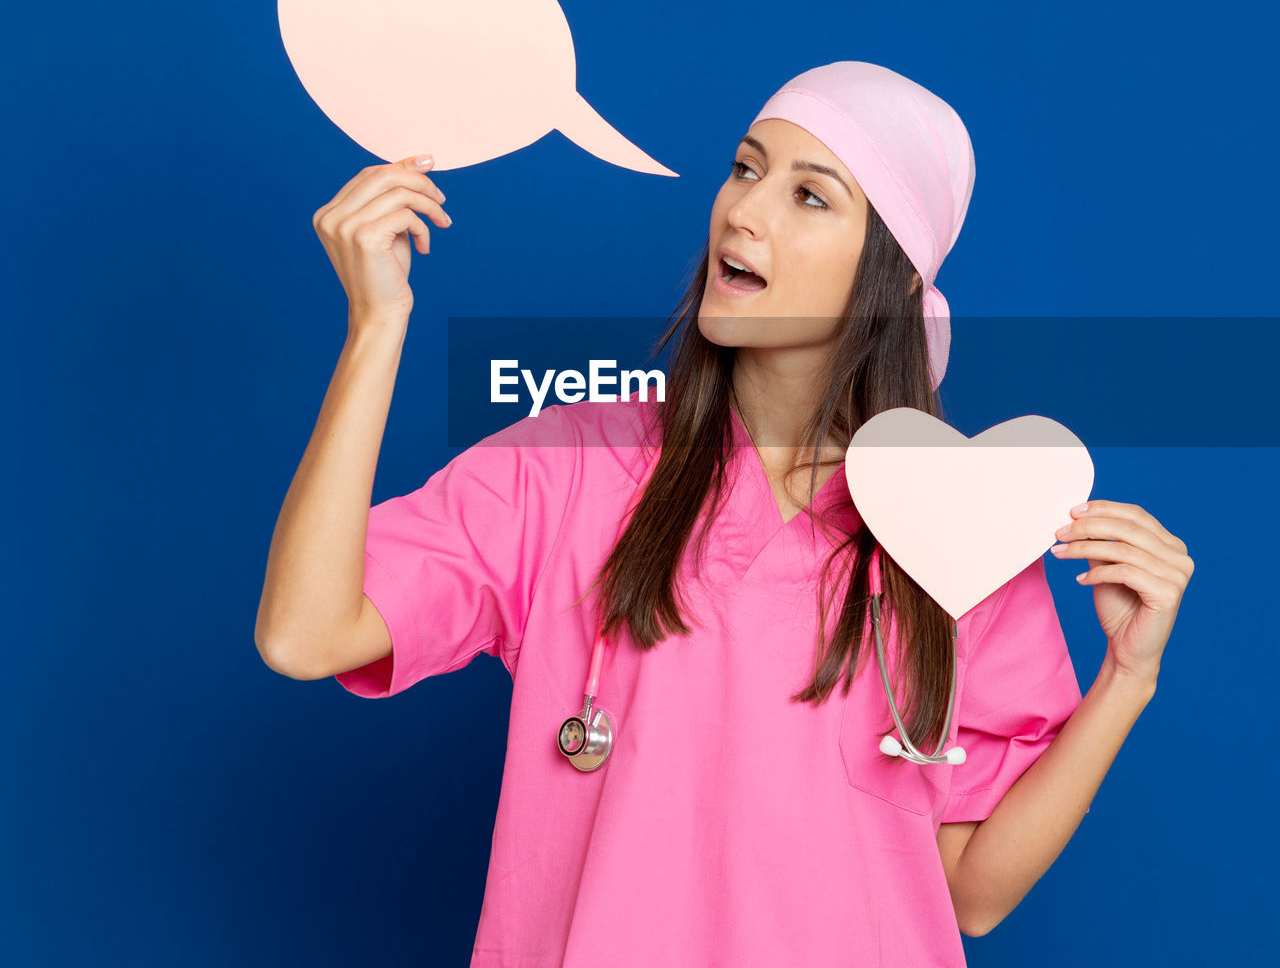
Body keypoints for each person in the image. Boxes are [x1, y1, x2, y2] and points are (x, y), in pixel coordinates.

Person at [256, 61, 1194, 966]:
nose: (743, 210)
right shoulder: (572, 468)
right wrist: (376, 329)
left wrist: (1127, 679)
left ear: (894, 277)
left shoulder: (959, 527)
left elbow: (969, 894)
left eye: (809, 194)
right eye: (746, 168)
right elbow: (306, 633)